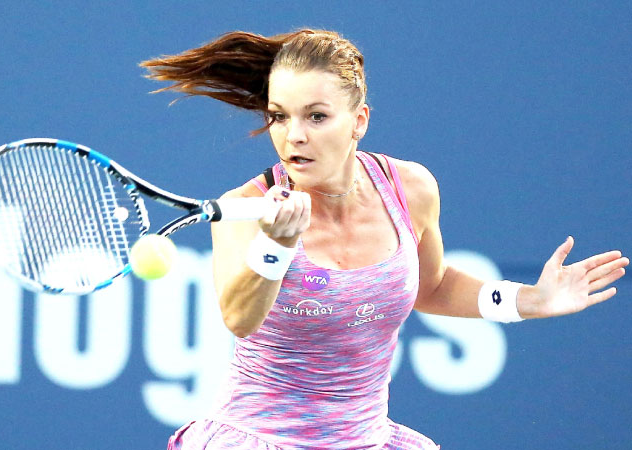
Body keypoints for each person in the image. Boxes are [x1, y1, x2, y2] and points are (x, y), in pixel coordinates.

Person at [140, 29, 628, 450]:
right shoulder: (246, 207)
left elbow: (431, 287)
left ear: (359, 120)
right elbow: (239, 319)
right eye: (279, 116)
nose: (294, 136)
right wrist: (277, 246)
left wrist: (527, 301)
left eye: (315, 116)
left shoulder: (410, 189)